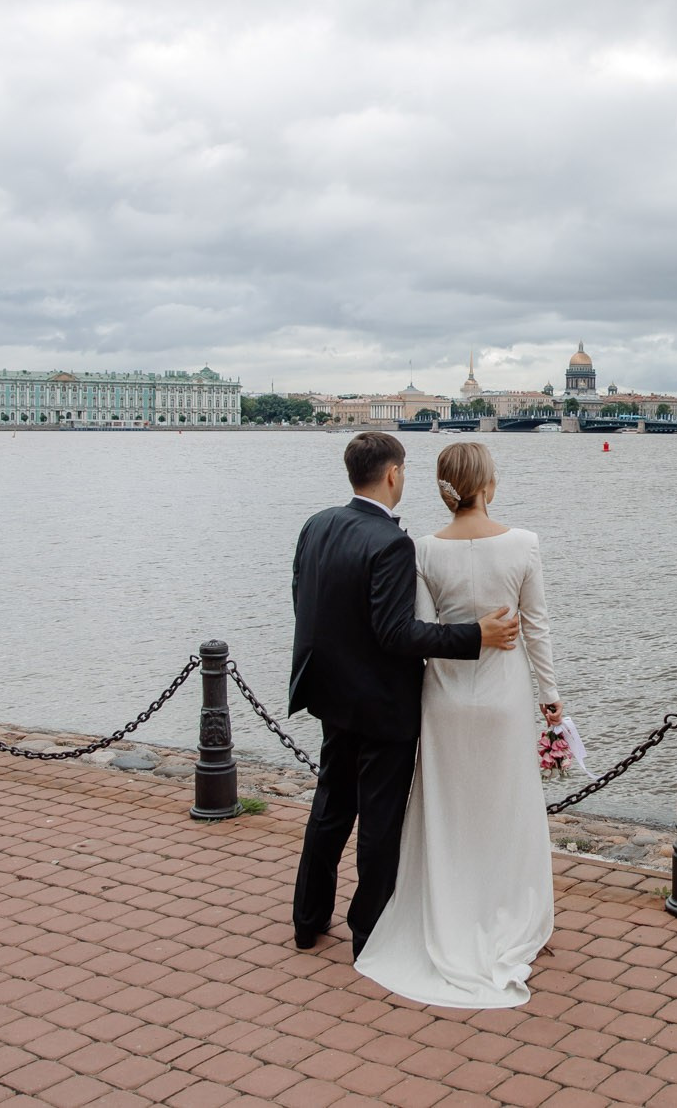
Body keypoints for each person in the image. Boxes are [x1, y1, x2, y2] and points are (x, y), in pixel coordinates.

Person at [288, 432, 521, 957]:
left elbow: (304, 598)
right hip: (382, 705)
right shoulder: (392, 542)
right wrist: (474, 635)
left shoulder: (317, 525)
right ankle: (368, 932)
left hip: (330, 693)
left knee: (330, 807)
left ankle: (308, 920)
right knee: (379, 821)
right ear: (393, 474)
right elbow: (396, 633)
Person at [354, 441, 563, 1008]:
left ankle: (448, 910)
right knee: (506, 808)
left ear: (445, 488)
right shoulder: (523, 544)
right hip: (502, 695)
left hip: (443, 696)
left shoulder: (423, 549)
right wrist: (552, 699)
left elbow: (422, 632)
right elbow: (537, 629)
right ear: (488, 484)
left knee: (447, 809)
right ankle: (508, 913)